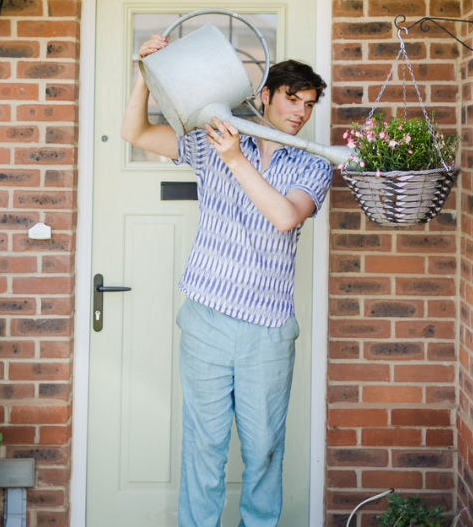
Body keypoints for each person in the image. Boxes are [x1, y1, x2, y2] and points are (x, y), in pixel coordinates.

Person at [120, 33, 334, 527]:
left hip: (266, 329)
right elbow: (136, 133)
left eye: (309, 104)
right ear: (265, 96)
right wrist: (145, 75)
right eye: (291, 98)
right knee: (205, 446)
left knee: (262, 450)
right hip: (206, 320)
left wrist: (237, 160)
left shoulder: (312, 162)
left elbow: (285, 216)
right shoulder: (210, 139)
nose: (300, 112)